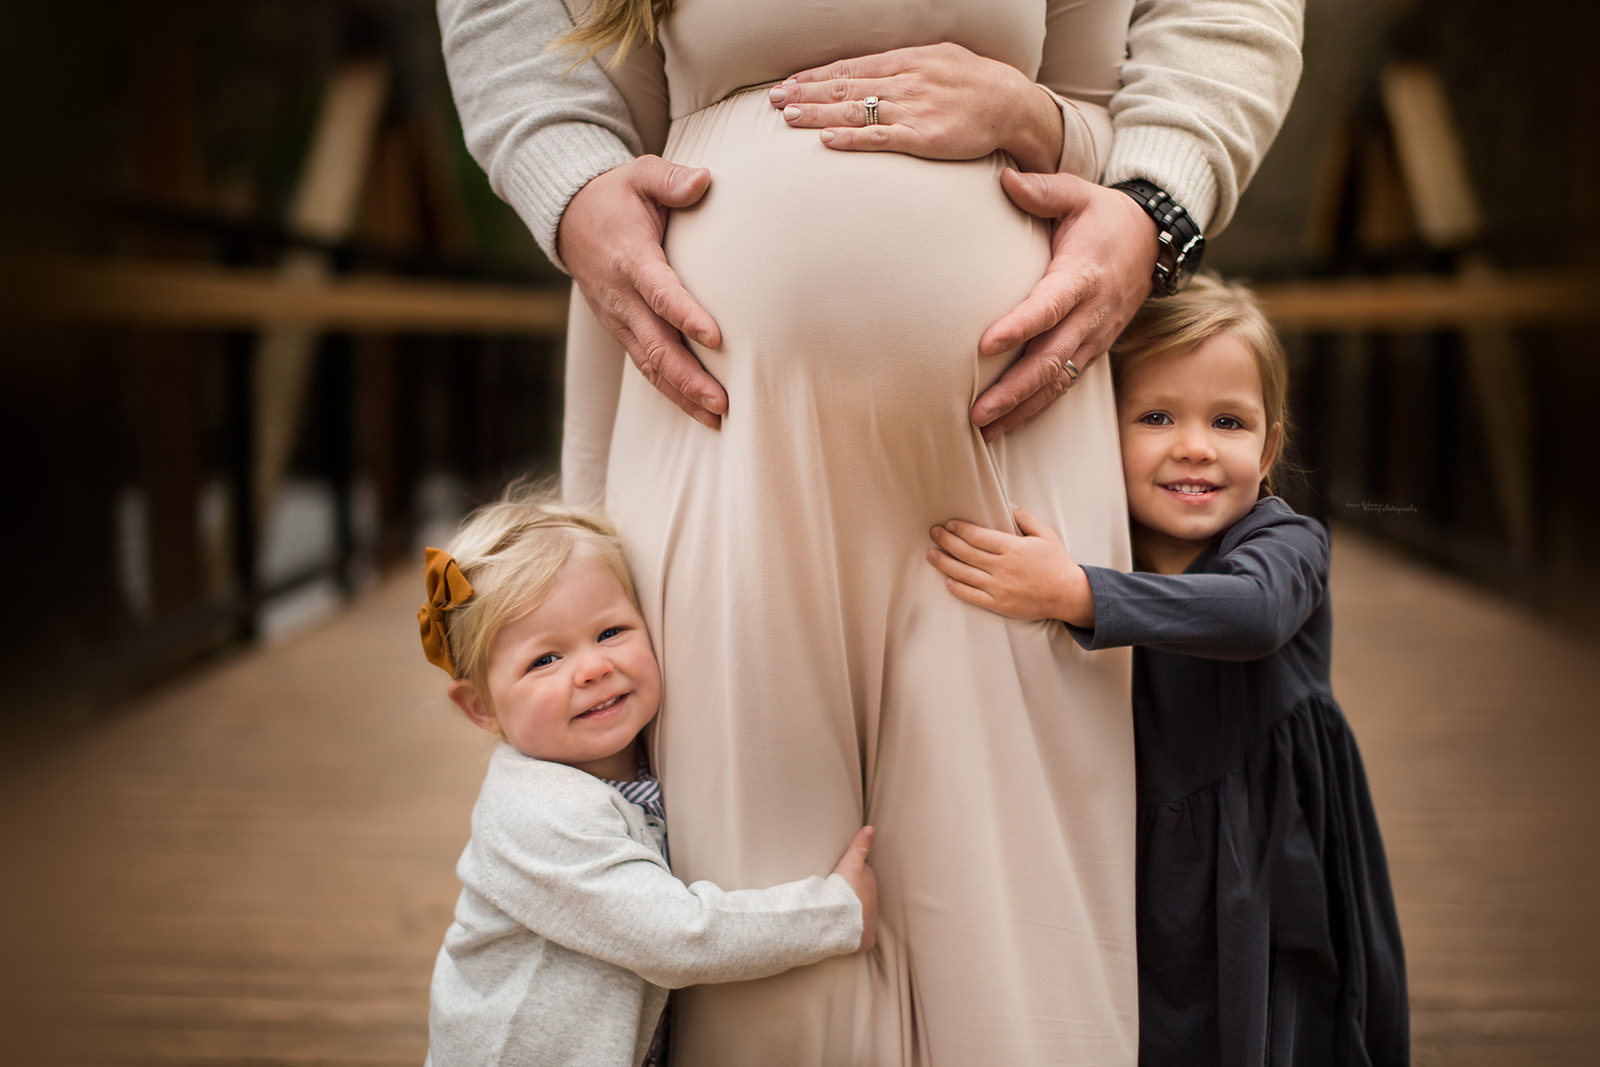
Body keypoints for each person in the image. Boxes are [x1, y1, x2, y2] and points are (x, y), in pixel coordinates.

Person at [436, 2, 1303, 1062]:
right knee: (762, 928)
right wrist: (564, 174)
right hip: (720, 423)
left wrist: (1151, 194)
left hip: (1014, 456)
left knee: (1023, 926)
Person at [928, 275, 1409, 1066]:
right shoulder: (1100, 536)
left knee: (1269, 1024)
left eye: (1229, 421)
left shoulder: (1286, 544)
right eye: (1156, 417)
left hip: (1268, 852)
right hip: (1144, 841)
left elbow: (1250, 615)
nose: (1195, 445)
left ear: (1270, 446)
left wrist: (1074, 591)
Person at [419, 489, 878, 1066]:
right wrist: (835, 912)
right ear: (480, 708)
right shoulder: (536, 813)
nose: (593, 668)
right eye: (544, 660)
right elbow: (675, 938)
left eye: (610, 632)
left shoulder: (648, 764)